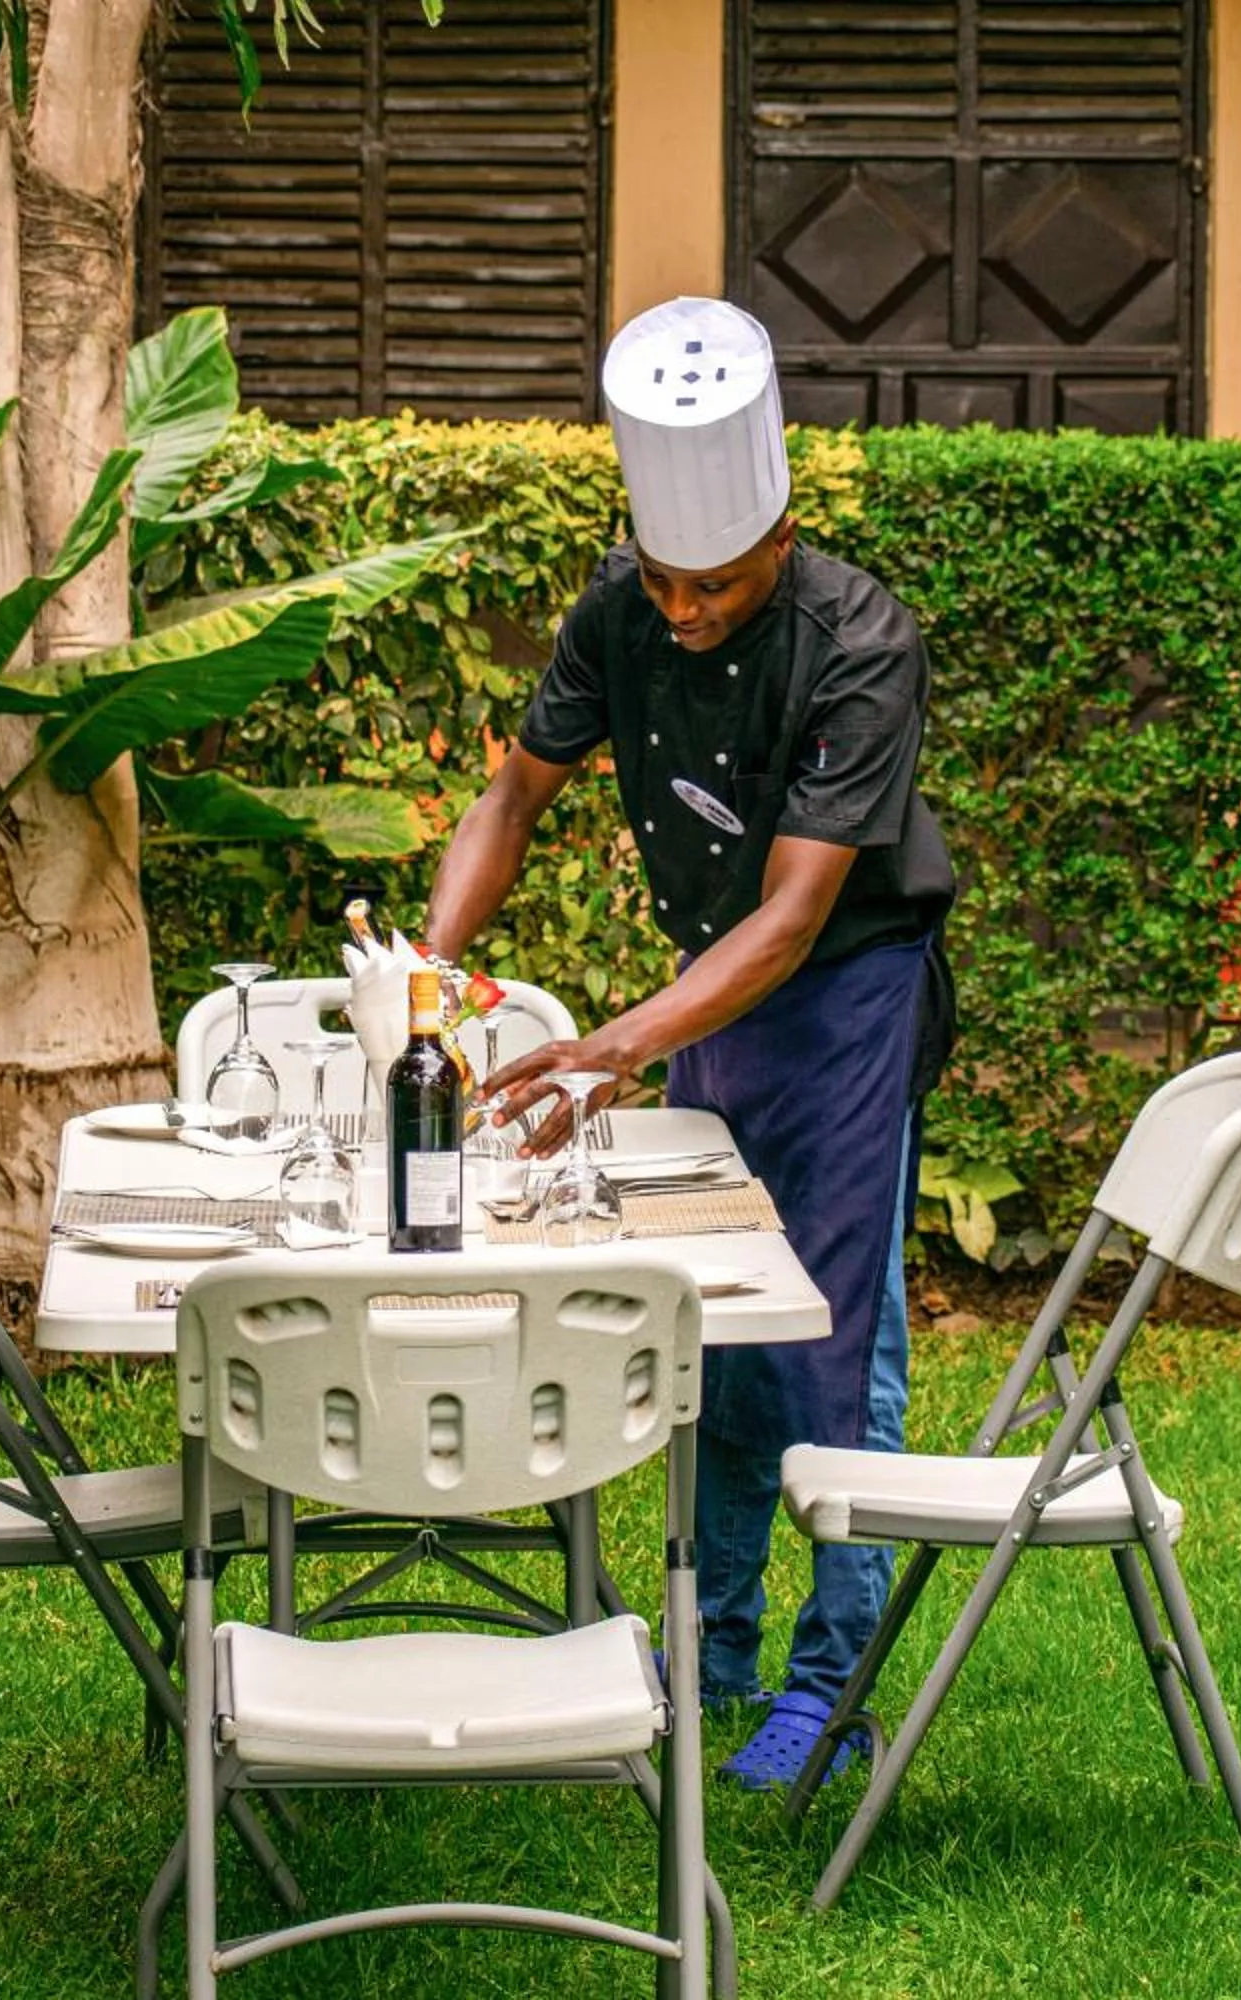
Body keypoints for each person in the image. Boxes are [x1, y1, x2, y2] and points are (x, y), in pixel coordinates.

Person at [423, 295, 956, 1791]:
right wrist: (427, 972)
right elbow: (511, 796)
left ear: (776, 543)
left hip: (844, 992)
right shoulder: (620, 612)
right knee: (706, 1325)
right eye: (663, 581)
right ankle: (712, 1647)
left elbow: (790, 922)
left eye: (715, 586)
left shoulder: (861, 642)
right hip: (707, 986)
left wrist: (607, 1051)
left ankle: (829, 1681)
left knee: (831, 1343)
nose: (683, 613)